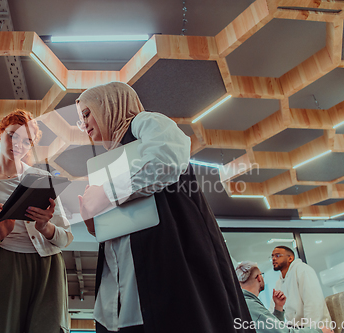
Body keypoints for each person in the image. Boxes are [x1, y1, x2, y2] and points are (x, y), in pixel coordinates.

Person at [76, 81, 255, 333]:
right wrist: (94, 224)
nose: (83, 124)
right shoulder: (110, 160)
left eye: (87, 113)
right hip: (128, 277)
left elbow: (166, 161)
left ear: (109, 105)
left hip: (169, 259)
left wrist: (106, 194)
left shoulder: (145, 123)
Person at [0, 109, 74, 333]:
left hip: (46, 266)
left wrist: (45, 227)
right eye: (13, 135)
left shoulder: (44, 181)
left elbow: (65, 237)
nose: (18, 144)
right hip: (2, 266)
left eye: (27, 140)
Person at [235, 261, 333, 333]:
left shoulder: (245, 304)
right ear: (259, 278)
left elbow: (273, 329)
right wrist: (320, 331)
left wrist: (278, 308)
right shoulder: (251, 306)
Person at [270, 246, 332, 328]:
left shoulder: (303, 270)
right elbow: (272, 309)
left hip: (315, 327)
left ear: (290, 258)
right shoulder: (279, 282)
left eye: (277, 255)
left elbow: (313, 303)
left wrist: (311, 330)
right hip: (297, 328)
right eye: (272, 256)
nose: (274, 259)